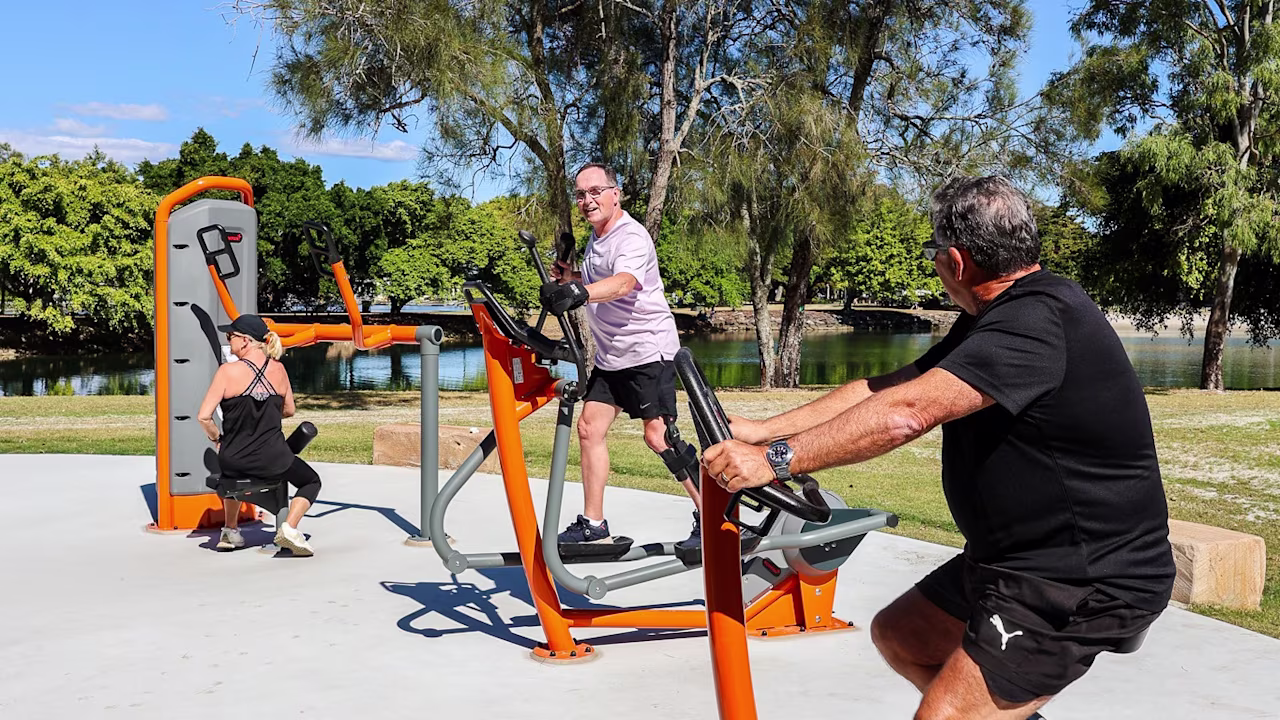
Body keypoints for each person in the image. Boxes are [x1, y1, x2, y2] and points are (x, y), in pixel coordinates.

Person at [703, 176, 1175, 720]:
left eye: (932, 254)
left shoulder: (1033, 322)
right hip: (1013, 560)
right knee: (902, 636)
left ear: (955, 261)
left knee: (943, 717)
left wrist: (775, 462)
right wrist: (766, 430)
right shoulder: (994, 315)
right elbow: (892, 387)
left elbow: (906, 415)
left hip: (1078, 578)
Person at [541, 163, 703, 551]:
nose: (587, 200)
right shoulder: (597, 239)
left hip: (648, 350)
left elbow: (625, 282)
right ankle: (594, 525)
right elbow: (599, 282)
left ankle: (714, 517)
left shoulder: (631, 236)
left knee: (659, 435)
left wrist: (580, 295)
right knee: (589, 429)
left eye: (596, 192)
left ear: (616, 193)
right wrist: (573, 281)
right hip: (613, 356)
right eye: (580, 194)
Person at [197, 313, 321, 556]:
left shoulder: (227, 372)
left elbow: (204, 417)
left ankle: (230, 531)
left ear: (244, 341)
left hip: (233, 458)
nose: (228, 341)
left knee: (232, 473)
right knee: (311, 481)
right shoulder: (279, 369)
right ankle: (289, 528)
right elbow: (289, 410)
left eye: (230, 336)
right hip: (272, 459)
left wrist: (217, 440)